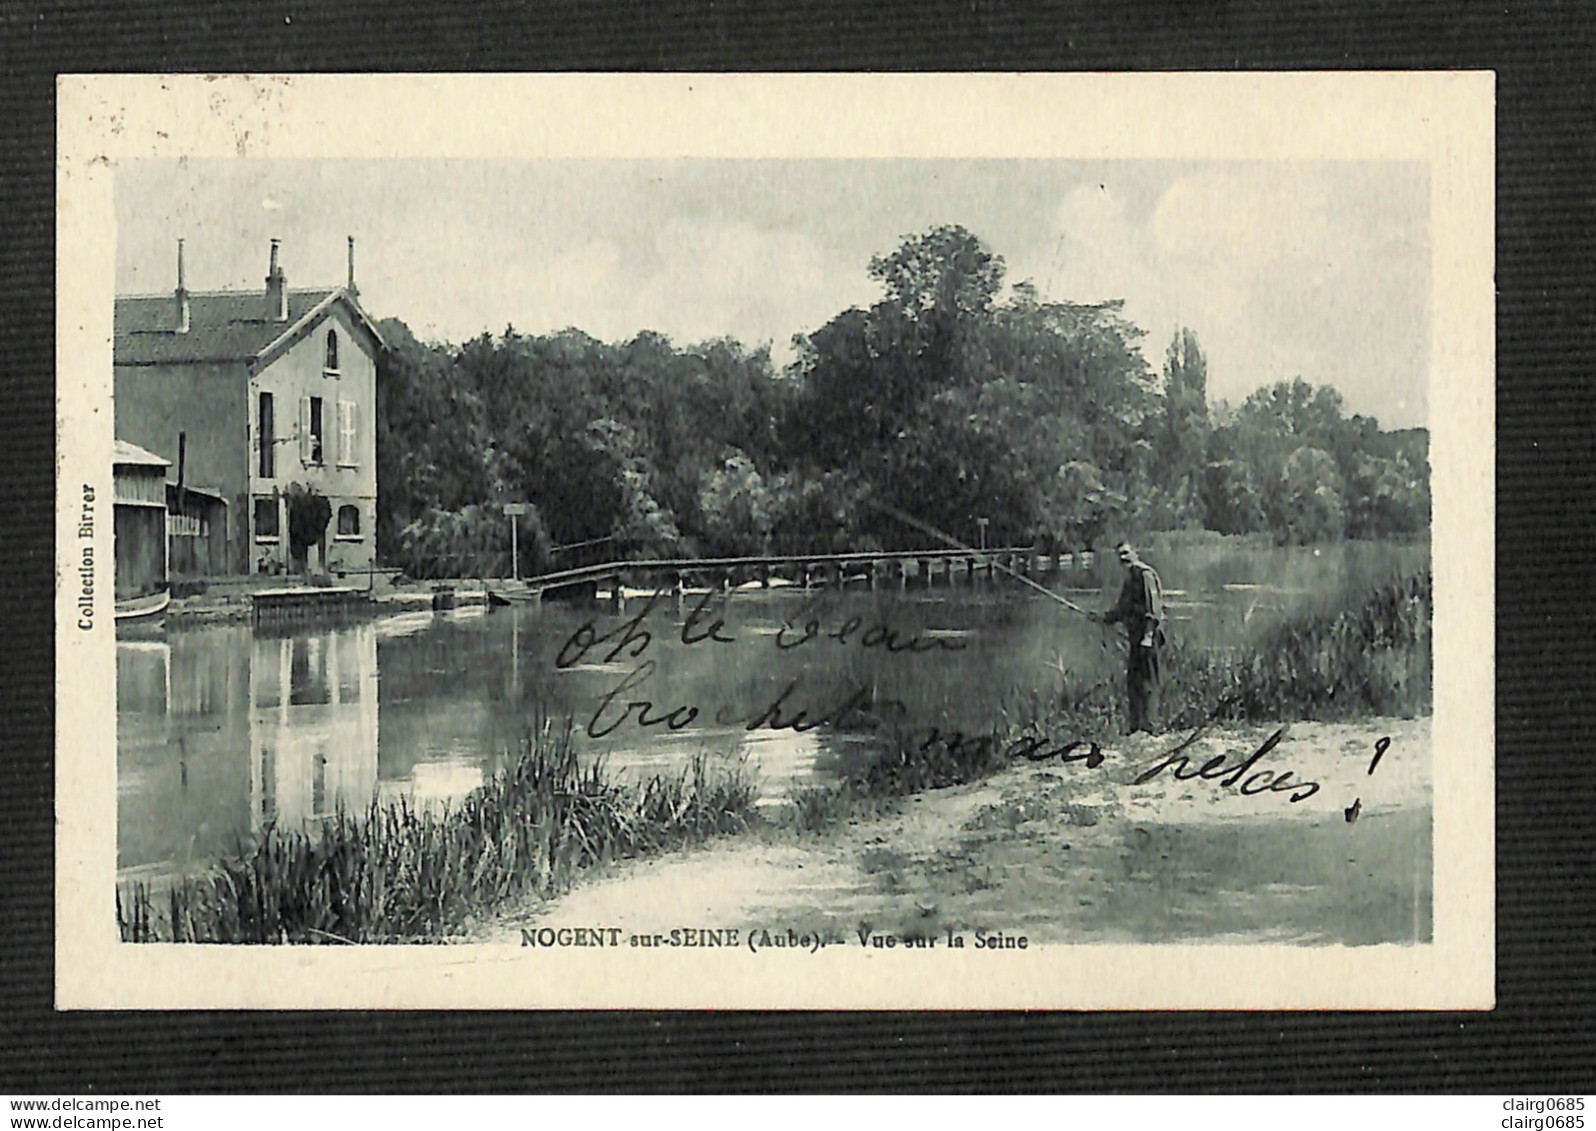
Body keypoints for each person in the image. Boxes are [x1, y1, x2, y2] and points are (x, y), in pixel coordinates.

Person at [1098, 540, 1165, 734]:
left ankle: (1151, 727)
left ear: (1136, 552)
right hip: (1136, 638)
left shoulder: (1145, 575)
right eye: (1120, 555)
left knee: (1149, 682)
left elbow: (1154, 610)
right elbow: (1122, 609)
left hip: (1148, 638)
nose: (1123, 558)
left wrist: (1148, 636)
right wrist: (1104, 618)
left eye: (1126, 553)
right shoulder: (1130, 579)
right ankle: (1136, 727)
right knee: (1134, 682)